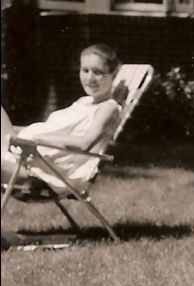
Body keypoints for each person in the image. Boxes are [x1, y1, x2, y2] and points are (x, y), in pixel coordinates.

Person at [1, 43, 122, 193]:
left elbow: (85, 143)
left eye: (98, 72)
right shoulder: (84, 102)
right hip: (25, 154)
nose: (89, 78)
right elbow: (51, 130)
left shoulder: (108, 107)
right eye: (85, 70)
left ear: (113, 75)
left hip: (45, 173)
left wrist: (39, 139)